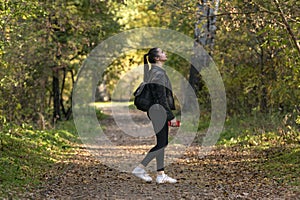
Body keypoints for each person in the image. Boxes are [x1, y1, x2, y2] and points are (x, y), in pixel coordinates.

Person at [132, 48, 177, 184]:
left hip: (155, 111)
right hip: (159, 111)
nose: (166, 53)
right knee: (162, 143)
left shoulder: (154, 72)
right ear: (157, 58)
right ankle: (140, 168)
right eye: (163, 52)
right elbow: (160, 99)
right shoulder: (158, 74)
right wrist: (171, 116)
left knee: (161, 142)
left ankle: (160, 174)